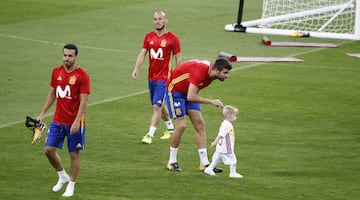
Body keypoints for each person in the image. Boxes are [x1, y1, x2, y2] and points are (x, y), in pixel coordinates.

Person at [37, 44, 90, 197]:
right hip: (58, 120)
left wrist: (76, 121)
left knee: (74, 154)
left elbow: (84, 101)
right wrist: (42, 113)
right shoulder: (56, 72)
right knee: (48, 150)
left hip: (75, 122)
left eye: (70, 56)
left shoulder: (82, 75)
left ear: (76, 57)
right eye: (65, 55)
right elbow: (52, 94)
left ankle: (71, 185)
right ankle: (62, 176)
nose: (67, 58)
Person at [166, 58, 232, 172]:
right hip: (175, 91)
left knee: (200, 123)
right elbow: (191, 97)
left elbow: (191, 93)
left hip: (188, 91)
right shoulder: (200, 72)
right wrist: (212, 101)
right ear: (216, 70)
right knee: (181, 126)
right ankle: (171, 162)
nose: (227, 76)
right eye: (225, 73)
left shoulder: (211, 73)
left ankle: (205, 164)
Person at [132, 10, 182, 144]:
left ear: (166, 20)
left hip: (165, 78)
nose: (157, 21)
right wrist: (136, 68)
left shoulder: (172, 38)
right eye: (155, 19)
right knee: (159, 105)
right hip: (151, 78)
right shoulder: (149, 37)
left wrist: (177, 75)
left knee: (156, 106)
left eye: (160, 19)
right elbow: (143, 53)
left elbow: (178, 57)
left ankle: (150, 135)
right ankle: (171, 128)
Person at [204, 105, 243, 178]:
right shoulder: (227, 125)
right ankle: (233, 173)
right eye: (234, 115)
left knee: (217, 160)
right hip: (226, 148)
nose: (235, 117)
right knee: (233, 160)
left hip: (221, 147)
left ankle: (209, 169)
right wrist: (215, 142)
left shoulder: (224, 123)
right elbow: (221, 135)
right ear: (229, 115)